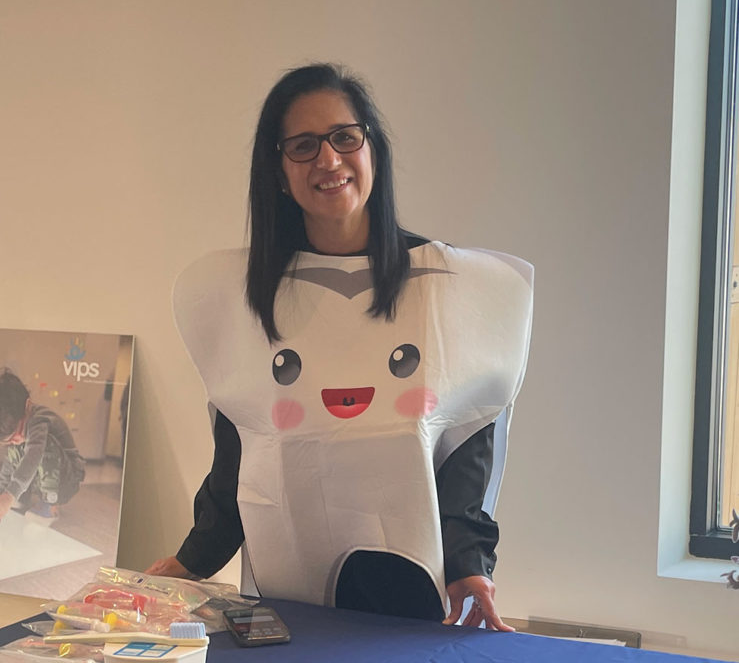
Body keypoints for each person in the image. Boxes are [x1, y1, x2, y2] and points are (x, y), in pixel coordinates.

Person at [148, 63, 532, 629]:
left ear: (372, 149)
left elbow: (465, 442)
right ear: (278, 171)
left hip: (410, 590)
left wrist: (468, 563)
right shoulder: (249, 296)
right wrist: (192, 560)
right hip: (288, 586)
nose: (328, 161)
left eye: (344, 138)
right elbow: (241, 450)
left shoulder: (442, 287)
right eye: (303, 146)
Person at [0, 368, 85, 521]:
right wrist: (1, 492)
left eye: (16, 433)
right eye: (8, 440)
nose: (13, 441)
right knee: (17, 448)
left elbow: (33, 457)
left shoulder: (38, 420)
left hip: (68, 478)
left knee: (39, 447)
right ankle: (21, 498)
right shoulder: (18, 436)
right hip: (46, 475)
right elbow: (10, 461)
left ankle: (50, 504)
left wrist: (9, 495)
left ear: (28, 406)